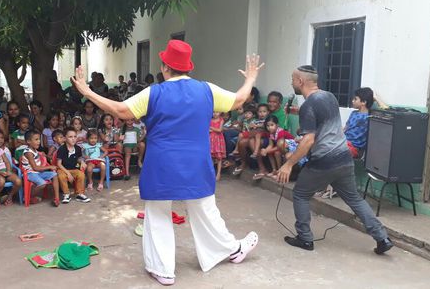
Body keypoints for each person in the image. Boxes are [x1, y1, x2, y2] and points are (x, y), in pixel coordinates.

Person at [70, 39, 262, 285]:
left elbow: (120, 111)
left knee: (158, 213)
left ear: (164, 67)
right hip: (196, 162)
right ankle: (231, 249)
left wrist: (86, 91)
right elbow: (238, 100)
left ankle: (162, 270)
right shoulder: (206, 90)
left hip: (161, 162)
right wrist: (250, 79)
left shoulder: (154, 92)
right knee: (204, 208)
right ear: (188, 67)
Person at [276, 65, 393, 255]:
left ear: (300, 81)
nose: (291, 82)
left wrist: (288, 164)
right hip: (344, 157)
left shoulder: (308, 105)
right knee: (354, 198)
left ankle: (305, 238)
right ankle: (382, 238)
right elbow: (323, 125)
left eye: (292, 79)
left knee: (300, 194)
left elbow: (308, 140)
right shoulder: (329, 96)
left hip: (324, 160)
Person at [21, 131, 61, 206]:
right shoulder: (28, 153)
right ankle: (28, 196)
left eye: (39, 139)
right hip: (30, 173)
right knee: (42, 183)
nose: (39, 142)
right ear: (29, 141)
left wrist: (41, 153)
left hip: (38, 173)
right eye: (36, 140)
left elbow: (38, 156)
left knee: (54, 175)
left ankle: (56, 198)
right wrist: (50, 166)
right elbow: (35, 168)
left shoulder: (34, 150)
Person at [56, 127, 90, 204]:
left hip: (74, 169)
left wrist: (82, 162)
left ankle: (79, 194)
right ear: (65, 138)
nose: (73, 139)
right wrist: (68, 173)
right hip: (63, 169)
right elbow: (58, 164)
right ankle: (66, 194)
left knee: (81, 175)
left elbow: (78, 158)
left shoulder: (78, 148)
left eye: (75, 136)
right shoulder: (62, 149)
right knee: (61, 176)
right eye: (70, 137)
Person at [344, 87, 374, 158]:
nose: (352, 101)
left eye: (355, 99)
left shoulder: (369, 117)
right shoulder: (353, 113)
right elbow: (345, 128)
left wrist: (375, 98)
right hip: (344, 142)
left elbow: (385, 108)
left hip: (355, 148)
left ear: (364, 102)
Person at [209, 112, 226, 182]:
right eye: (213, 112)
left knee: (219, 158)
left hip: (218, 140)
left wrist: (211, 128)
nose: (215, 114)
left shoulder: (221, 120)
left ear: (220, 113)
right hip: (210, 140)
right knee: (211, 157)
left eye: (217, 112)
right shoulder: (210, 120)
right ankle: (211, 174)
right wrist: (211, 129)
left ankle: (218, 173)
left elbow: (220, 130)